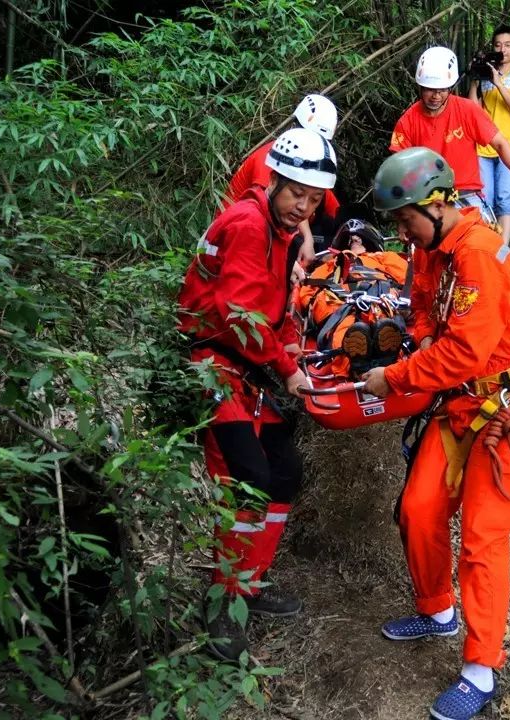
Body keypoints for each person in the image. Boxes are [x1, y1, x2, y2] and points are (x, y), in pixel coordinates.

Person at [361, 147, 510, 720]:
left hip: (504, 413)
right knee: (418, 510)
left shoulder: (479, 255)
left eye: (404, 219)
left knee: (483, 540)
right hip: (459, 406)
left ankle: (481, 667)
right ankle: (436, 609)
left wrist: (393, 378)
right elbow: (422, 310)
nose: (401, 232)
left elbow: (468, 351)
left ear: (436, 204)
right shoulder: (433, 250)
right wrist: (415, 340)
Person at [178, 127, 337, 662]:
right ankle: (224, 601)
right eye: (297, 194)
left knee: (284, 471)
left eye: (314, 201)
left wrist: (293, 351)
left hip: (249, 362)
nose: (303, 208)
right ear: (276, 180)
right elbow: (235, 316)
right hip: (217, 362)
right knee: (248, 477)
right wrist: (286, 367)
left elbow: (274, 309)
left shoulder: (279, 230)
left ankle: (249, 581)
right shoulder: (249, 224)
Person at [390, 46, 510, 225]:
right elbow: (398, 170)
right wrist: (403, 218)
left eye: (442, 90)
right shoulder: (408, 121)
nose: (436, 96)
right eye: (430, 89)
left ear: (450, 87)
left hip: (467, 195)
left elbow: (500, 144)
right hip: (426, 200)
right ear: (420, 87)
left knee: (480, 247)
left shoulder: (467, 110)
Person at [222, 94, 341, 263]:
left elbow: (332, 208)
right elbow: (275, 205)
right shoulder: (279, 158)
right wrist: (305, 240)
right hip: (238, 237)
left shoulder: (308, 167)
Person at [296, 220, 408, 377]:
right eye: (350, 241)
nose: (354, 243)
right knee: (342, 320)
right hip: (341, 302)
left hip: (378, 295)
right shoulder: (331, 265)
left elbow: (410, 281)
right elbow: (308, 294)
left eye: (358, 240)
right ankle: (355, 359)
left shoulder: (384, 258)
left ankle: (384, 353)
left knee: (382, 317)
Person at [467, 24, 510, 244]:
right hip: (483, 147)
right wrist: (476, 79)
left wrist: (498, 83)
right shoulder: (484, 79)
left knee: (505, 198)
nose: (503, 50)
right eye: (498, 45)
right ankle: (488, 245)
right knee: (483, 200)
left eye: (508, 45)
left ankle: (502, 249)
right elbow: (473, 112)